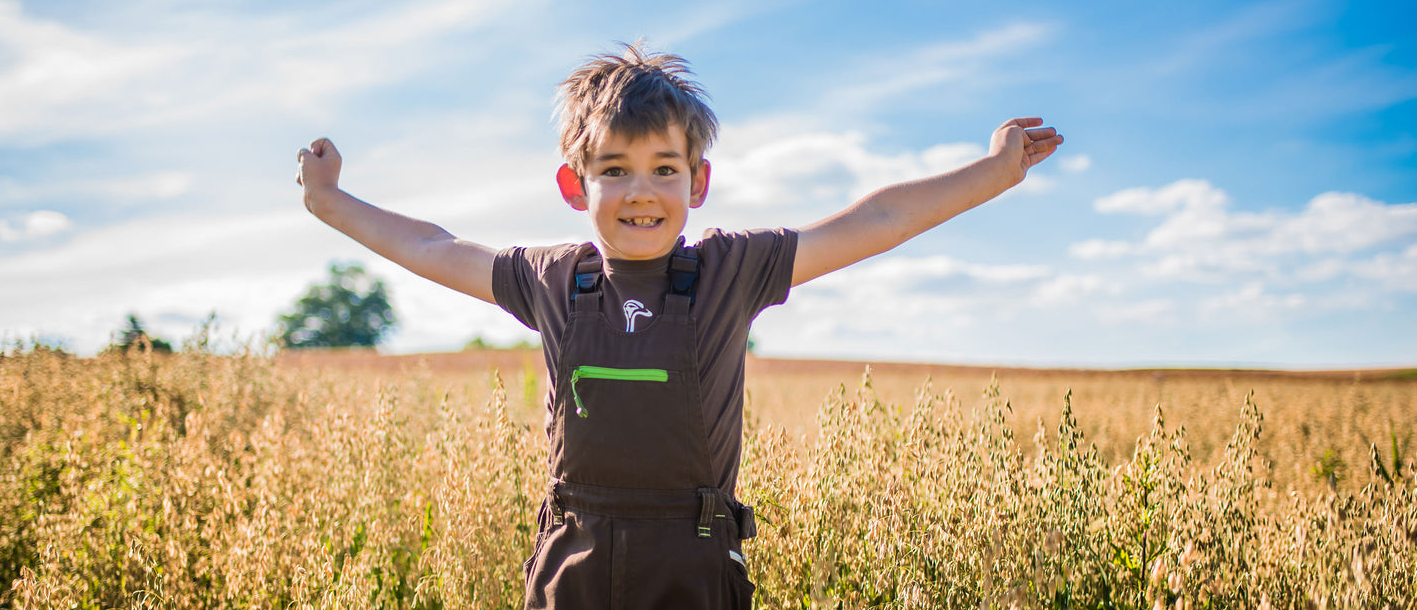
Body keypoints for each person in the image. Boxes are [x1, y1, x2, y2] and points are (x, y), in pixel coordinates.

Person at [296, 42, 1061, 609]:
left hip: (693, 565)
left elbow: (879, 218)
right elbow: (433, 246)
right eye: (616, 168)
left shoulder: (734, 269)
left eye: (665, 168)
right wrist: (332, 203)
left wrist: (993, 171)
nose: (642, 190)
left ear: (698, 181)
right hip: (574, 564)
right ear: (575, 183)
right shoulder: (554, 276)